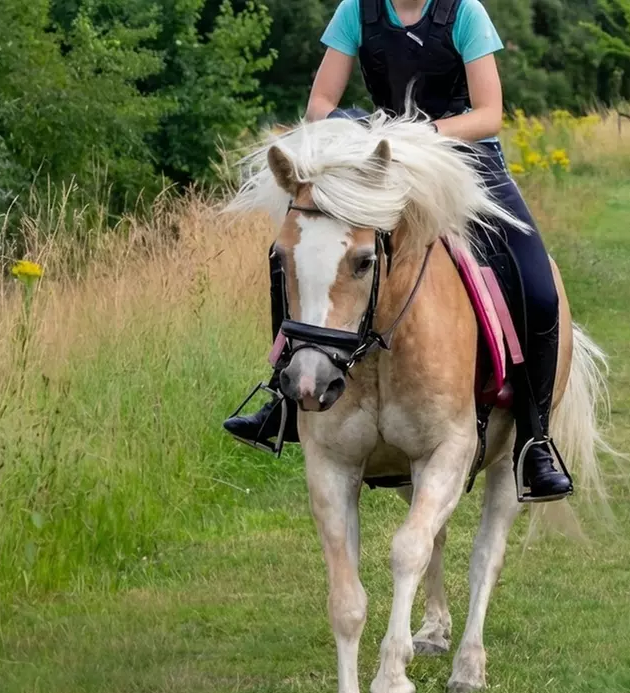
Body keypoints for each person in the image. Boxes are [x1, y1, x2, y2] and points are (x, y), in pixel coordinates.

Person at [222, 0, 574, 502]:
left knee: (537, 289)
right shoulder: (356, 11)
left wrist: (418, 134)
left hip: (463, 163)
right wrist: (362, 134)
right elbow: (320, 103)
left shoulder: (465, 13)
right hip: (378, 163)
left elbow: (489, 114)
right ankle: (281, 397)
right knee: (294, 256)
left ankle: (534, 441)